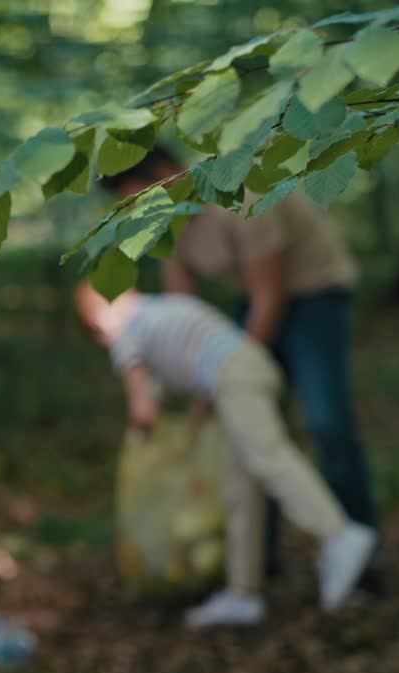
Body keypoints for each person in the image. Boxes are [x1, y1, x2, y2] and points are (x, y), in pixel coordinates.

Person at [101, 146, 381, 591]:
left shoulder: (242, 191)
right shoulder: (165, 220)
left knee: (327, 424)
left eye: (138, 193)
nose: (138, 208)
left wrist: (231, 372)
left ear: (168, 172)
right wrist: (203, 386)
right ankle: (258, 563)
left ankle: (359, 557)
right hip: (253, 300)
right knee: (247, 432)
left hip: (313, 296)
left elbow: (270, 292)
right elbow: (184, 310)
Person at [74, 282, 375, 627]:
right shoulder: (161, 308)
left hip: (234, 378)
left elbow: (143, 409)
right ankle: (243, 593)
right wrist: (193, 423)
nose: (102, 336)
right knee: (240, 489)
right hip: (243, 370)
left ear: (101, 316)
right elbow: (200, 362)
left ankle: (338, 534)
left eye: (95, 328)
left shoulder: (127, 331)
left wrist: (140, 441)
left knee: (268, 457)